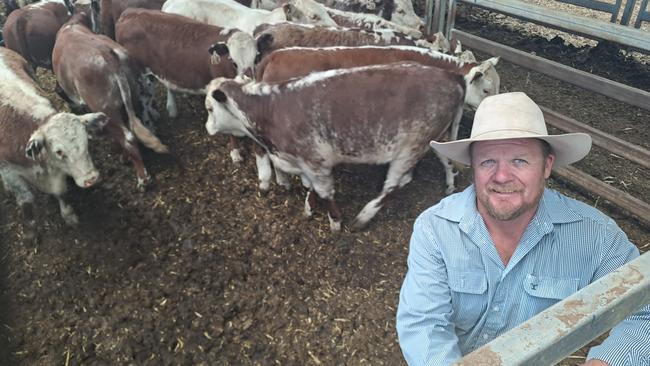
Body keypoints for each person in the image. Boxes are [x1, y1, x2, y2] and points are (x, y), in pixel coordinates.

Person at [395, 92, 650, 366]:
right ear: (473, 167)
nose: (502, 176)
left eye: (519, 161)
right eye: (488, 161)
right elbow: (425, 324)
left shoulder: (596, 235)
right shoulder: (435, 229)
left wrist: (608, 362)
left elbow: (644, 309)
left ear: (547, 166)